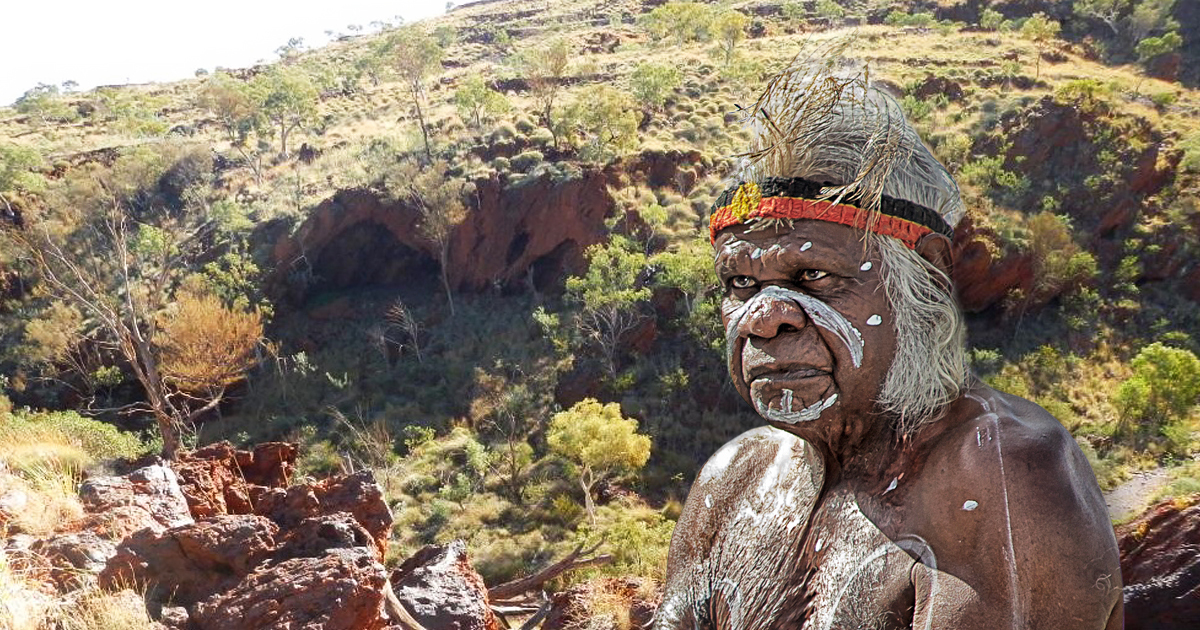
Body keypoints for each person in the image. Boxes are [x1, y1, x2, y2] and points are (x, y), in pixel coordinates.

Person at [655, 58, 1123, 630]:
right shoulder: (736, 477)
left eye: (815, 276)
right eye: (741, 284)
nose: (763, 319)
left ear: (923, 276)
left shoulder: (999, 469)